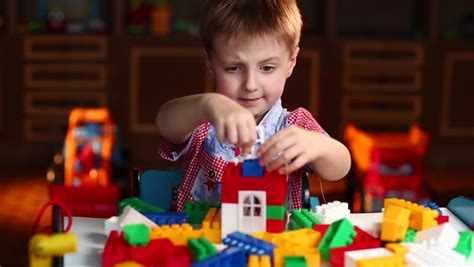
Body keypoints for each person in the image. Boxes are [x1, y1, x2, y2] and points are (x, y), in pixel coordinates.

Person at [156, 0, 351, 211]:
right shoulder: (203, 121)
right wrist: (207, 105)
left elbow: (340, 167)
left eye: (266, 68)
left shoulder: (294, 125)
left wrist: (318, 145)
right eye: (233, 68)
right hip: (202, 237)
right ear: (211, 64)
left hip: (276, 240)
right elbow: (166, 124)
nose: (250, 85)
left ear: (290, 63)